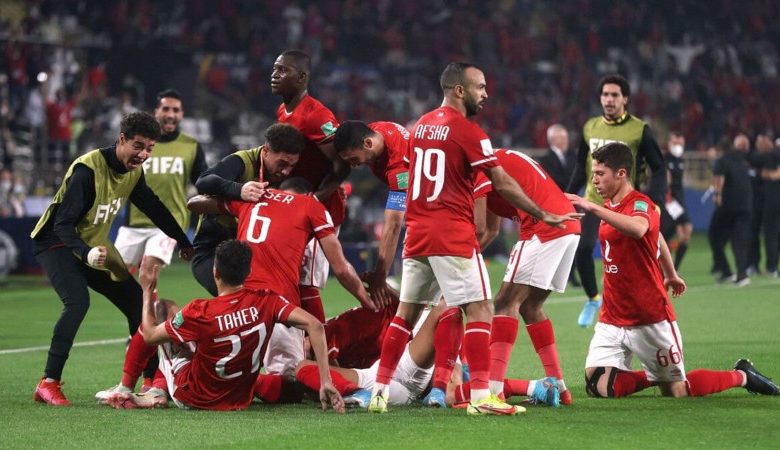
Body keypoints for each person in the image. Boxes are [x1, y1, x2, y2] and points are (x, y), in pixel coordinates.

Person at [366, 62, 579, 416]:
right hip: (452, 233)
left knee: (405, 315)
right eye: (480, 87)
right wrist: (542, 213)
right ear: (459, 90)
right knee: (481, 309)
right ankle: (483, 397)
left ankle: (379, 393)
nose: (486, 94)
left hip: (417, 233)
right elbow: (501, 183)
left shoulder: (420, 127)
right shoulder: (470, 133)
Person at [566, 142, 778, 399]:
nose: (594, 181)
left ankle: (742, 375)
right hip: (612, 315)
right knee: (597, 386)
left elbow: (639, 229)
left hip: (648, 316)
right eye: (593, 174)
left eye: (600, 174)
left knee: (677, 391)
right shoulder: (610, 206)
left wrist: (592, 207)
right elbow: (657, 237)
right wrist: (670, 273)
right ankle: (654, 376)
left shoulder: (641, 204)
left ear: (621, 174)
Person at [30, 112, 194, 406]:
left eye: (149, 148)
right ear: (121, 140)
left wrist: (184, 242)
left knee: (137, 301)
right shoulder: (87, 171)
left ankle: (150, 381)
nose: (143, 154)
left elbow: (154, 207)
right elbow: (63, 224)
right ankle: (48, 383)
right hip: (57, 243)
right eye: (138, 146)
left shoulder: (133, 172)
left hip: (92, 244)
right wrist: (86, 253)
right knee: (77, 302)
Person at [105, 240, 345, 412]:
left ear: (215, 272)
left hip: (194, 396)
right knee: (289, 386)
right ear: (248, 272)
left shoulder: (199, 311)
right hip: (240, 396)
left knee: (162, 310)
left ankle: (150, 389)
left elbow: (149, 336)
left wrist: (148, 292)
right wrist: (325, 381)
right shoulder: (268, 301)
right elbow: (315, 325)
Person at [188, 177, 375, 379]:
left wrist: (238, 190)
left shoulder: (254, 197)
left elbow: (194, 204)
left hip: (239, 306)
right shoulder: (310, 205)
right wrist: (368, 303)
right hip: (277, 306)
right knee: (291, 378)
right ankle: (357, 384)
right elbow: (342, 270)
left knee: (232, 376)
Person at [96, 90, 207, 399]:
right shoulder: (141, 144)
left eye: (176, 110)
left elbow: (203, 184)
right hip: (134, 225)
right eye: (166, 109)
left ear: (181, 115)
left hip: (167, 225)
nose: (171, 114)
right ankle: (141, 328)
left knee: (149, 273)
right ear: (157, 111)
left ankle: (149, 340)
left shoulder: (191, 147)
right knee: (113, 278)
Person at [295, 302, 561, 409]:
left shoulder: (336, 330)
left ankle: (437, 390)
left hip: (403, 372)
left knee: (455, 382)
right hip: (385, 382)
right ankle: (536, 387)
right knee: (301, 367)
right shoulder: (413, 308)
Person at [473, 148, 581, 406]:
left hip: (545, 228)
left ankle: (494, 391)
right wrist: (471, 257)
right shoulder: (494, 160)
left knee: (505, 303)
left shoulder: (476, 167)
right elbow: (491, 230)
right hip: (567, 226)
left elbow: (477, 228)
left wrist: (455, 263)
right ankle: (561, 389)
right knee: (531, 307)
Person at [567, 74, 667, 328]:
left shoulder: (639, 129)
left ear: (625, 99)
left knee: (636, 259)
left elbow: (659, 166)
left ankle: (651, 300)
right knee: (583, 249)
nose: (609, 100)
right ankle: (593, 299)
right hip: (594, 200)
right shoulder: (590, 127)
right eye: (605, 95)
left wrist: (656, 201)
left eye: (614, 95)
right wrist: (566, 196)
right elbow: (580, 164)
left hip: (627, 204)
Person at [272, 49, 348, 323]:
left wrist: (315, 200)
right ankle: (299, 341)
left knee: (305, 282)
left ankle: (322, 342)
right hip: (296, 207)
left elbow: (343, 164)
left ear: (302, 77)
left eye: (283, 70)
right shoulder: (283, 111)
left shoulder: (317, 116)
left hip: (320, 211)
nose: (274, 75)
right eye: (275, 68)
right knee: (290, 278)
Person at [191, 123, 304, 295]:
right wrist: (238, 190)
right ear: (265, 151)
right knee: (239, 298)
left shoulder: (286, 177)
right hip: (213, 249)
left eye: (292, 166)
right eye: (282, 163)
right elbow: (203, 182)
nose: (286, 172)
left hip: (251, 254)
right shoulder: (242, 161)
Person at [333, 120, 410, 306]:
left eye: (353, 159)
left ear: (368, 143)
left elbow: (393, 225)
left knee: (416, 289)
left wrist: (380, 276)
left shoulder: (398, 167)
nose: (353, 165)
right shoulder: (374, 132)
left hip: (432, 209)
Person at [709, 134, 753, 286]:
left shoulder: (722, 160)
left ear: (720, 149)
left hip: (728, 206)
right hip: (746, 205)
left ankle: (726, 271)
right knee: (739, 240)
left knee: (714, 236)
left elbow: (719, 179)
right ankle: (742, 274)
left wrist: (717, 195)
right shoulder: (742, 159)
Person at [660, 131, 693, 270]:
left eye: (681, 144)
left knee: (686, 233)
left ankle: (673, 268)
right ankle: (668, 268)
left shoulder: (680, 160)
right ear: (669, 143)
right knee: (678, 231)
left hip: (680, 200)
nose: (678, 146)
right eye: (675, 143)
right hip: (670, 200)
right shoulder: (664, 159)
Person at [759, 135, 780, 277]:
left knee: (771, 234)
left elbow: (772, 175)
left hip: (773, 200)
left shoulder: (773, 156)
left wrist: (767, 174)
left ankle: (771, 267)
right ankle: (772, 267)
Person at [538, 124, 575, 191]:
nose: (566, 141)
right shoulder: (546, 160)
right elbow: (553, 181)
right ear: (552, 140)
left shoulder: (572, 155)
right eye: (562, 138)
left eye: (566, 138)